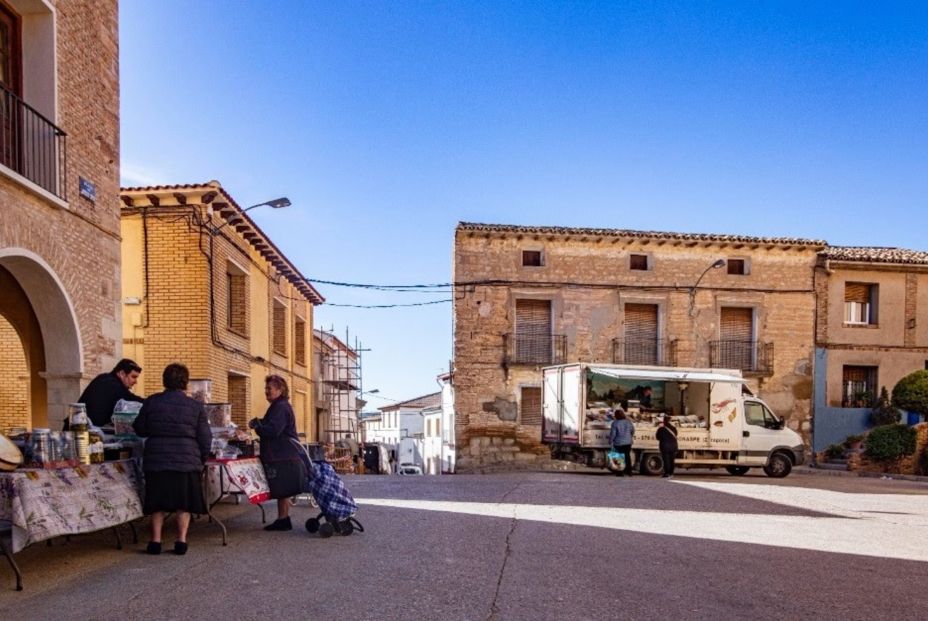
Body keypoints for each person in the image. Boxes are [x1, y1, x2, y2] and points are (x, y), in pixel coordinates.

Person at [133, 363, 211, 555]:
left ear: (164, 381)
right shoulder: (196, 406)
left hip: (157, 459)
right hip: (186, 459)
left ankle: (155, 541)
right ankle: (181, 541)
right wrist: (202, 457)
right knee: (183, 504)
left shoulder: (151, 402)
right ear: (185, 383)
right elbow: (205, 437)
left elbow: (139, 428)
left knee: (157, 502)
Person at [249, 375, 305, 531]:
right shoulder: (279, 406)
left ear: (280, 390)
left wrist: (258, 427)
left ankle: (283, 519)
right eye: (266, 388)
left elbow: (273, 430)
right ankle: (283, 519)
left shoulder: (280, 407)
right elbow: (273, 424)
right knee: (283, 490)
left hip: (282, 455)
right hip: (284, 454)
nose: (266, 391)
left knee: (282, 489)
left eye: (269, 388)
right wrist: (260, 422)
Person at [71, 358, 143, 428]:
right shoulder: (112, 384)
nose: (135, 382)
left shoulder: (105, 379)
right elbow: (132, 399)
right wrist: (152, 402)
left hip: (80, 429)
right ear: (122, 373)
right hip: (78, 432)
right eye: (133, 377)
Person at [608, 408, 635, 476]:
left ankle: (620, 472)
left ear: (616, 415)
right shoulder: (628, 422)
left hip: (618, 443)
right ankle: (629, 472)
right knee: (627, 457)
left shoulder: (615, 423)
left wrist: (610, 441)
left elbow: (613, 434)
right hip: (628, 442)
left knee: (619, 457)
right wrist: (630, 436)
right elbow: (633, 430)